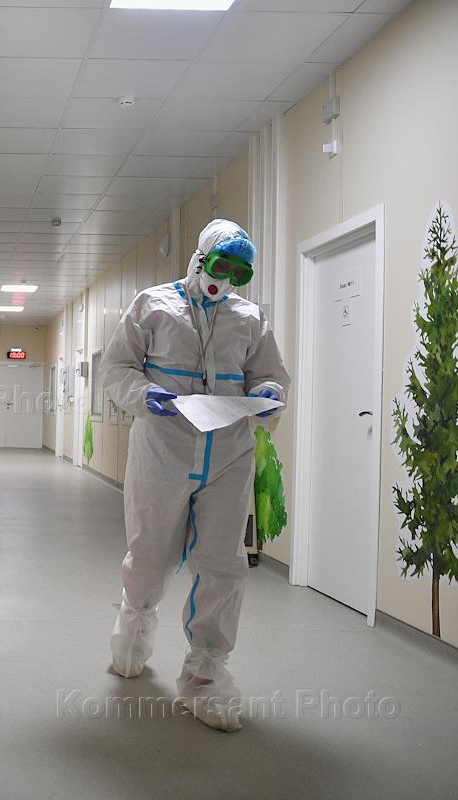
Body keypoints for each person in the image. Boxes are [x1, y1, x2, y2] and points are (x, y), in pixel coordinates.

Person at [99, 219, 289, 732]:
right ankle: (133, 628)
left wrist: (269, 395)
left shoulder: (249, 319)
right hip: (163, 449)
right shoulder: (153, 305)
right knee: (150, 553)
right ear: (200, 259)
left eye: (238, 272)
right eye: (221, 265)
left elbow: (270, 375)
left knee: (223, 562)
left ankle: (206, 676)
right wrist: (145, 395)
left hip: (228, 453)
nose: (225, 279)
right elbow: (116, 369)